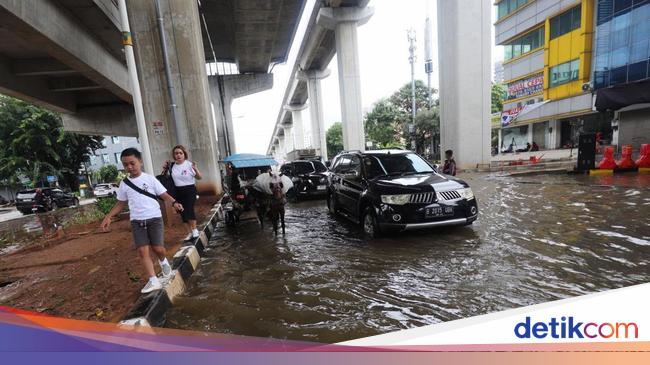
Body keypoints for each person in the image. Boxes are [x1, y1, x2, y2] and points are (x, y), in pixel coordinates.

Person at [100, 148, 183, 293]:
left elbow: (163, 195)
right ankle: (153, 280)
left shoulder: (150, 179)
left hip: (154, 219)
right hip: (137, 221)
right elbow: (120, 203)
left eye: (132, 163)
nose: (129, 167)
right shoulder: (124, 184)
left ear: (140, 162)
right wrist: (108, 216)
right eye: (125, 165)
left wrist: (175, 203)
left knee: (158, 249)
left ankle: (163, 261)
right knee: (142, 251)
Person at [164, 145, 202, 241]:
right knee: (182, 211)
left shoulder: (189, 165)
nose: (178, 155)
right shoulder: (172, 166)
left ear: (184, 154)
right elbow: (166, 177)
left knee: (189, 209)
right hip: (177, 191)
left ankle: (194, 230)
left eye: (180, 153)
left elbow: (199, 177)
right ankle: (189, 232)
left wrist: (195, 168)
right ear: (174, 155)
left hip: (190, 190)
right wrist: (165, 168)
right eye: (176, 153)